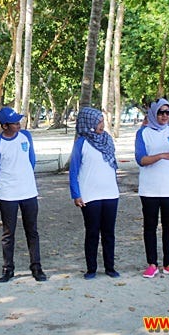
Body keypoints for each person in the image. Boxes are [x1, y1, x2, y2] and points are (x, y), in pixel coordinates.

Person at [0, 107, 47, 283]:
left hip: (28, 191)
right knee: (8, 233)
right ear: (5, 126)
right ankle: (8, 268)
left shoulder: (26, 136)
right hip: (7, 194)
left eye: (18, 121)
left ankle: (36, 267)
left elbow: (31, 160)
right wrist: (5, 184)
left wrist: (25, 177)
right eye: (14, 123)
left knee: (32, 231)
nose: (18, 124)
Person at [134, 98, 169, 278]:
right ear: (153, 113)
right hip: (150, 188)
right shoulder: (143, 133)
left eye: (168, 112)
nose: (164, 116)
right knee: (150, 226)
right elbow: (141, 159)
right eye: (161, 112)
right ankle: (152, 263)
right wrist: (161, 155)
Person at [69, 107, 120, 279]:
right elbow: (74, 170)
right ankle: (91, 269)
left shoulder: (107, 139)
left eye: (102, 121)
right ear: (88, 122)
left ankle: (110, 267)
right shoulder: (81, 143)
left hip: (110, 193)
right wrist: (76, 194)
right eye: (98, 122)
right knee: (92, 232)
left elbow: (112, 164)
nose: (102, 125)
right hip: (90, 195)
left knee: (109, 233)